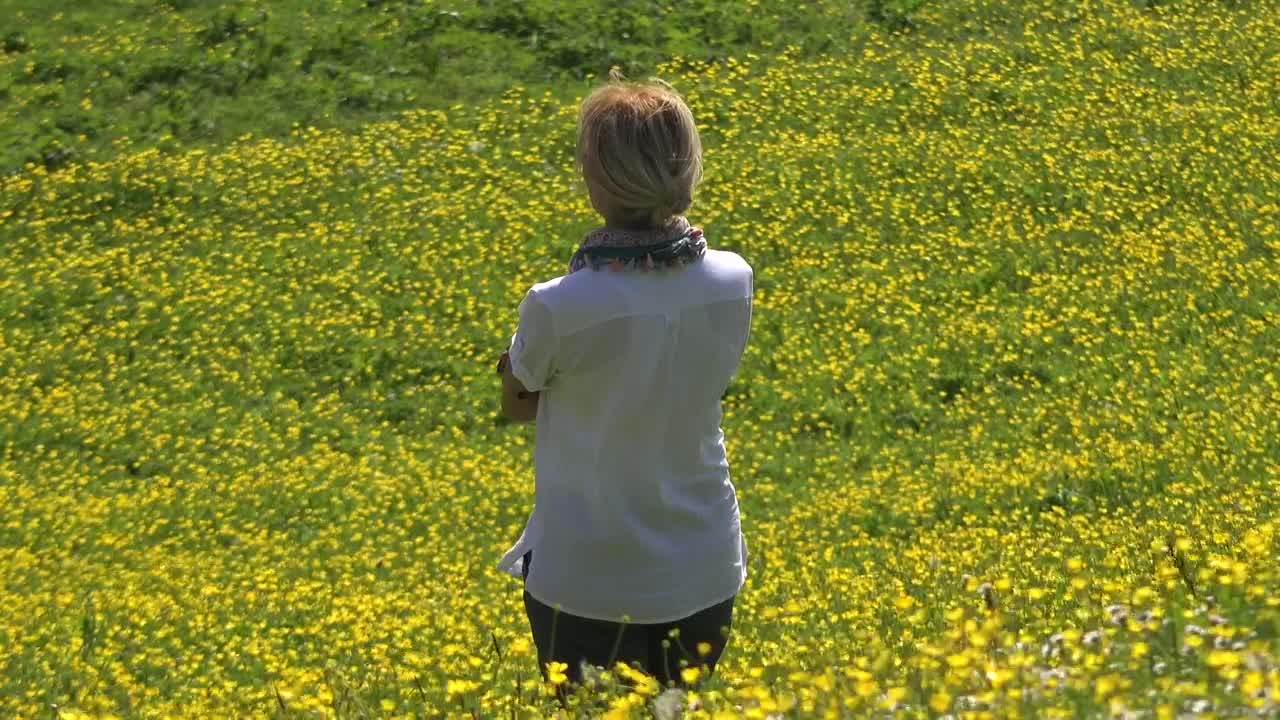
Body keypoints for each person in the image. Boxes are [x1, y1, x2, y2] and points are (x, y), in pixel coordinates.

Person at [495, 74, 753, 690]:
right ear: (688, 167)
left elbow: (518, 403)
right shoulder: (733, 278)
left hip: (586, 575)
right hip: (703, 561)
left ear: (597, 180)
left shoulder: (559, 303)